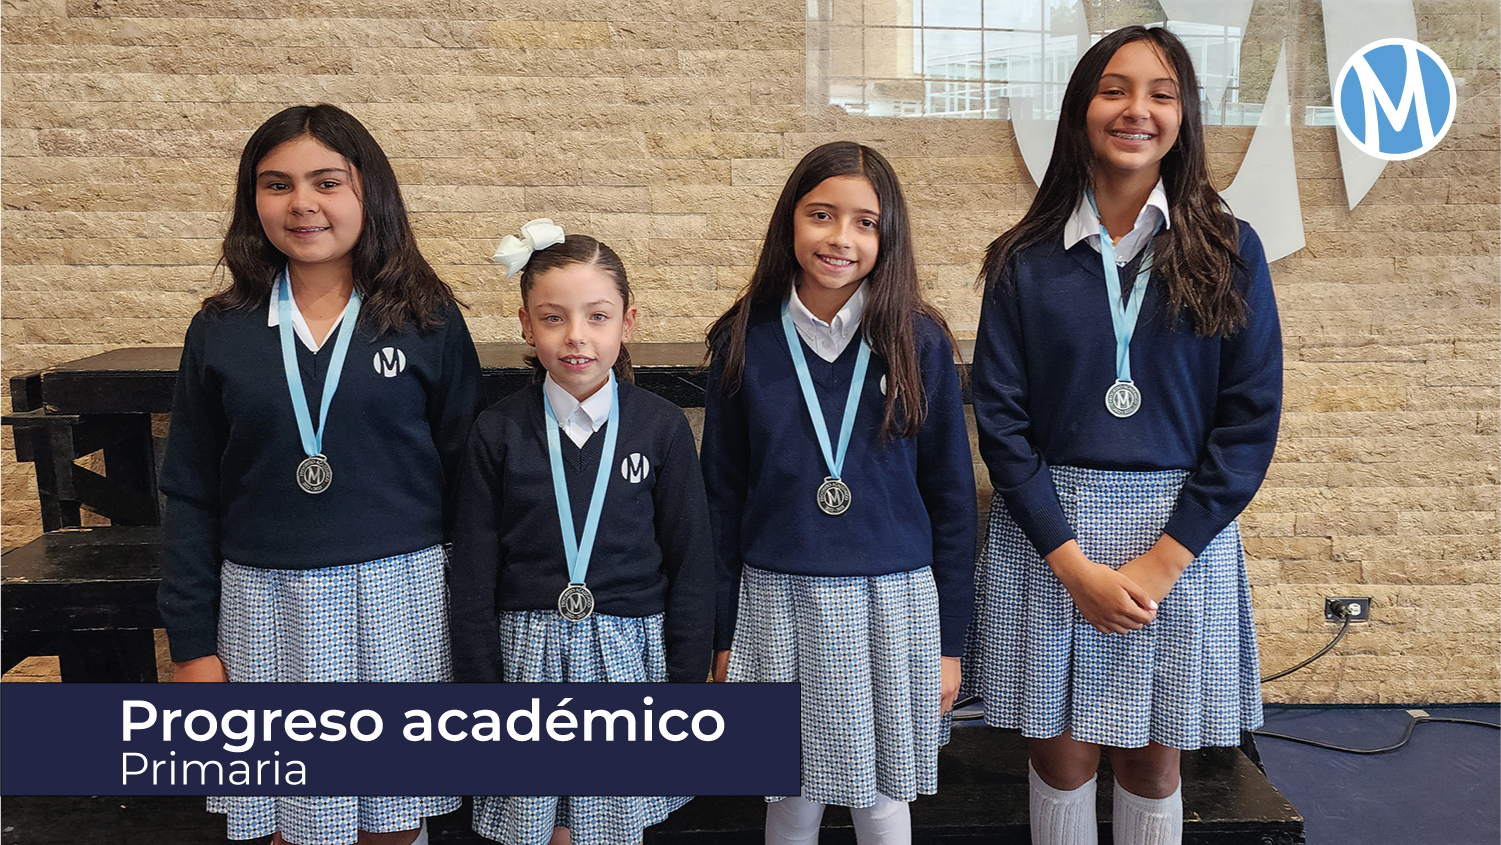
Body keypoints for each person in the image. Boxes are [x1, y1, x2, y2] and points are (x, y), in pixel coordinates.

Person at [963, 25, 1283, 845]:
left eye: (1160, 93)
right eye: (1113, 89)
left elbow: (1248, 421)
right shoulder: (1023, 258)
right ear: (1081, 108)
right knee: (1060, 755)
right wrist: (1072, 566)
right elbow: (1001, 422)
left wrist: (1161, 561)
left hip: (1175, 537)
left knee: (1151, 762)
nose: (1135, 109)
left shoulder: (1229, 249)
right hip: (1053, 537)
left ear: (1184, 117)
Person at [157, 103, 484, 845]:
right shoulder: (221, 329)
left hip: (401, 601)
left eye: (326, 182)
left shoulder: (427, 320)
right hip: (263, 604)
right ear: (253, 201)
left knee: (393, 817)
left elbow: (468, 483)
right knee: (288, 817)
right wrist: (192, 646)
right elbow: (190, 490)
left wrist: (472, 625)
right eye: (277, 184)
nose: (302, 203)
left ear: (370, 192)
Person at [701, 141, 975, 845]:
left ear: (888, 236)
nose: (840, 238)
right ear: (789, 221)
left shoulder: (919, 340)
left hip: (892, 601)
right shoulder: (743, 339)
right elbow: (721, 499)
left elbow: (951, 500)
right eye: (821, 214)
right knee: (788, 794)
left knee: (882, 798)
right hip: (775, 600)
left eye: (864, 222)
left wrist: (950, 643)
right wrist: (721, 634)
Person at [448, 221, 713, 845]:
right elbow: (474, 572)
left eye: (597, 316)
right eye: (553, 317)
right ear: (525, 325)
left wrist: (685, 685)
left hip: (630, 655)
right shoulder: (497, 430)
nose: (576, 336)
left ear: (628, 323)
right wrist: (482, 691)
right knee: (539, 826)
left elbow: (691, 560)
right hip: (526, 656)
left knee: (613, 824)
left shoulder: (661, 427)